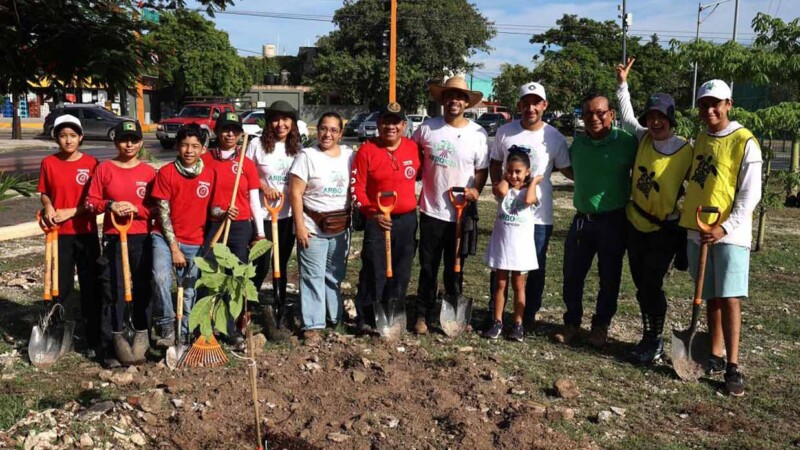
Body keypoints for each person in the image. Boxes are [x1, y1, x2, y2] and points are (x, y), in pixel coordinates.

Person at [680, 79, 762, 397]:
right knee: (711, 296)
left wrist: (725, 228)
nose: (710, 109)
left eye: (716, 103)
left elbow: (749, 193)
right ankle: (714, 355)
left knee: (729, 298)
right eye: (704, 104)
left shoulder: (744, 141)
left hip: (730, 235)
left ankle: (733, 365)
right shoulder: (701, 138)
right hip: (698, 231)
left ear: (729, 104)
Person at [616, 58, 694, 364]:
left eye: (661, 116)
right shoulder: (643, 138)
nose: (655, 122)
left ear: (671, 118)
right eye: (652, 116)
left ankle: (655, 339)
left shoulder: (686, 149)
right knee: (640, 283)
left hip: (665, 229)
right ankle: (649, 337)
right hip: (636, 223)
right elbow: (626, 117)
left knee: (651, 282)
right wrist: (622, 84)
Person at [554, 93, 637, 348]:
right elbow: (567, 168)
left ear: (611, 114)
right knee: (572, 274)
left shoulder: (627, 142)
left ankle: (600, 326)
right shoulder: (578, 146)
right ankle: (571, 323)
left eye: (600, 112)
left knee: (609, 277)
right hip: (582, 221)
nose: (594, 118)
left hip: (614, 222)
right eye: (588, 113)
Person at [487, 82, 570, 331]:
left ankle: (526, 318)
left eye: (536, 102)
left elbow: (568, 169)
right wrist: (497, 189)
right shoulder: (505, 132)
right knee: (502, 268)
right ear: (519, 105)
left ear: (545, 105)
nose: (530, 108)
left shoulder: (553, 137)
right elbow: (495, 162)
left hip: (538, 218)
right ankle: (496, 317)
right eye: (526, 102)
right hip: (509, 215)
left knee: (534, 269)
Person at [413, 76, 489, 335]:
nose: (454, 101)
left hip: (461, 213)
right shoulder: (427, 129)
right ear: (442, 100)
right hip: (432, 210)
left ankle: (455, 309)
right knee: (428, 266)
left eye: (459, 96)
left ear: (466, 102)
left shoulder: (477, 133)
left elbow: (481, 169)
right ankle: (422, 313)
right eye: (449, 96)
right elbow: (412, 157)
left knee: (456, 266)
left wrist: (476, 190)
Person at [86, 120, 156, 368]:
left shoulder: (148, 173)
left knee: (142, 286)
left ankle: (141, 334)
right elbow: (91, 201)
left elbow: (155, 208)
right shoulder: (105, 169)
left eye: (134, 139)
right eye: (124, 139)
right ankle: (112, 342)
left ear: (140, 142)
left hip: (141, 237)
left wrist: (137, 208)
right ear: (116, 142)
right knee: (113, 289)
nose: (129, 144)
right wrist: (110, 205)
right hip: (115, 236)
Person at [351, 102, 421, 333]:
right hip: (378, 220)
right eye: (385, 122)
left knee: (401, 269)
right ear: (379, 124)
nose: (390, 127)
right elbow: (357, 189)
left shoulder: (413, 148)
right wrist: (373, 212)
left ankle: (394, 313)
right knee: (374, 269)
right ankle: (367, 318)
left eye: (395, 122)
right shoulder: (366, 151)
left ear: (404, 125)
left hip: (406, 220)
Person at [37, 114, 100, 357]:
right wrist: (49, 206)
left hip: (85, 232)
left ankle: (93, 337)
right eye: (63, 136)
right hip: (58, 236)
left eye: (73, 136)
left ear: (81, 137)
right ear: (56, 138)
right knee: (59, 285)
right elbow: (44, 192)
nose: (68, 140)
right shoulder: (49, 163)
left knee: (89, 284)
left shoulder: (92, 163)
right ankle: (61, 333)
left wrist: (73, 211)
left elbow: (94, 200)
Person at [289, 112, 354, 345]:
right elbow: (295, 192)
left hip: (340, 227)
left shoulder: (348, 156)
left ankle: (335, 318)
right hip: (312, 227)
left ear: (340, 133)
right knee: (312, 276)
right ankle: (313, 325)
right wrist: (299, 226)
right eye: (324, 129)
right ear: (317, 130)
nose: (328, 134)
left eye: (334, 130)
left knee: (334, 277)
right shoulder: (307, 156)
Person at [202, 112, 263, 349]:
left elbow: (254, 200)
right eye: (225, 129)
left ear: (240, 135)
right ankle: (211, 322)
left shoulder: (246, 164)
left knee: (237, 276)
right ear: (217, 132)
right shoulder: (205, 160)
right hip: (213, 224)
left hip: (240, 225)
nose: (230, 134)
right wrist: (217, 212)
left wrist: (259, 232)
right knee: (214, 274)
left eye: (234, 131)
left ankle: (235, 326)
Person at [151, 124, 215, 348]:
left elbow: (212, 209)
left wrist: (224, 212)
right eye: (185, 145)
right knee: (160, 278)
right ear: (178, 146)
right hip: (165, 238)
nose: (189, 150)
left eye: (195, 146)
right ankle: (167, 324)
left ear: (202, 149)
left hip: (196, 240)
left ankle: (185, 333)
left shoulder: (209, 174)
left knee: (190, 289)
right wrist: (174, 247)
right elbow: (163, 212)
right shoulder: (166, 173)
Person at [246, 101, 301, 316]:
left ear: (292, 123)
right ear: (269, 122)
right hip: (262, 214)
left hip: (286, 215)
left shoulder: (298, 148)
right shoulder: (256, 145)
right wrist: (263, 186)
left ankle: (280, 305)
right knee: (260, 263)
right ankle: (248, 305)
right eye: (276, 119)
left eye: (286, 119)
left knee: (282, 261)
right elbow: (245, 174)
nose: (281, 124)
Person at [483, 147, 543, 342]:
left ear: (527, 171)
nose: (513, 175)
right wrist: (505, 178)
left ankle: (518, 323)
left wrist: (532, 181)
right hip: (502, 246)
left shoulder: (531, 190)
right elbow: (500, 189)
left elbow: (528, 200)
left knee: (519, 285)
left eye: (518, 171)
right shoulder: (504, 188)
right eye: (509, 170)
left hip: (520, 248)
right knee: (500, 284)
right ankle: (497, 321)